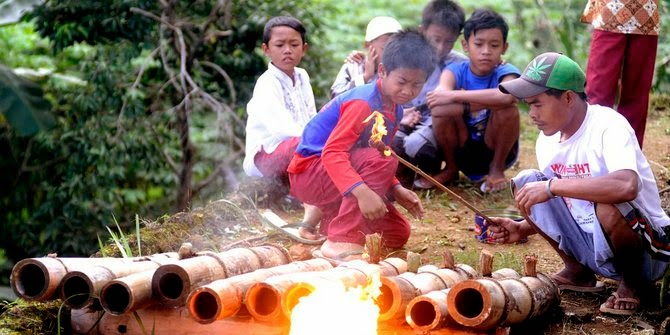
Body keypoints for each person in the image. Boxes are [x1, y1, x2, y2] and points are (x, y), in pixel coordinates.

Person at [490, 52, 670, 316]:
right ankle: (578, 272)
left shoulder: (609, 125)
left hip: (647, 251)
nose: (532, 114)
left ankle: (633, 285)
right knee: (528, 182)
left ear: (568, 97)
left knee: (607, 202)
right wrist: (522, 228)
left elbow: (626, 186)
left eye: (537, 104)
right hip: (594, 246)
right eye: (528, 105)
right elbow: (569, 203)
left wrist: (553, 186)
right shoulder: (548, 139)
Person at [288, 30, 435, 261]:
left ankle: (332, 226)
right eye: (402, 82)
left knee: (397, 232)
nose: (408, 91)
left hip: (335, 175)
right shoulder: (363, 103)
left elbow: (376, 151)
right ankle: (340, 240)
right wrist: (363, 193)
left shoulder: (394, 108)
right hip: (311, 173)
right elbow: (333, 153)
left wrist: (396, 189)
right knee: (386, 159)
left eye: (417, 84)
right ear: (383, 70)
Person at [420, 8, 520, 193]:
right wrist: (491, 100)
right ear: (465, 45)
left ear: (504, 48)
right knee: (440, 113)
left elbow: (507, 96)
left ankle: (496, 170)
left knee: (508, 108)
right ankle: (451, 168)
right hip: (462, 144)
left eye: (494, 45)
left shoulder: (506, 71)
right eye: (479, 44)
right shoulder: (455, 69)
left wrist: (455, 96)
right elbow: (438, 105)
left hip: (494, 146)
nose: (486, 51)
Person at [242, 16, 321, 241]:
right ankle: (309, 213)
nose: (288, 50)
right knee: (305, 145)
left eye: (294, 45)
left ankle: (321, 207)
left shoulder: (303, 76)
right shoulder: (266, 83)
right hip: (266, 155)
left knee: (320, 145)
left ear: (304, 49)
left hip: (298, 146)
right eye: (279, 45)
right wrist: (317, 140)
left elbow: (311, 116)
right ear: (266, 49)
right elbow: (283, 129)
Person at [391, 0, 469, 188]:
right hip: (406, 119)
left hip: (439, 128)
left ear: (458, 38)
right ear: (422, 31)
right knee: (393, 139)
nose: (441, 47)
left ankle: (437, 170)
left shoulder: (460, 64)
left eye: (449, 41)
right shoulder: (407, 57)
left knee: (416, 145)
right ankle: (404, 175)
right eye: (436, 39)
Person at [581, 0, 660, 148]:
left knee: (637, 91)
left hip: (645, 13)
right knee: (598, 92)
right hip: (609, 12)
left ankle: (630, 153)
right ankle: (592, 149)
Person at [329, 16, 403, 99]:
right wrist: (365, 77)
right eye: (384, 48)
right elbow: (335, 98)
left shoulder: (403, 70)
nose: (391, 54)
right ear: (367, 45)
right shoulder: (353, 66)